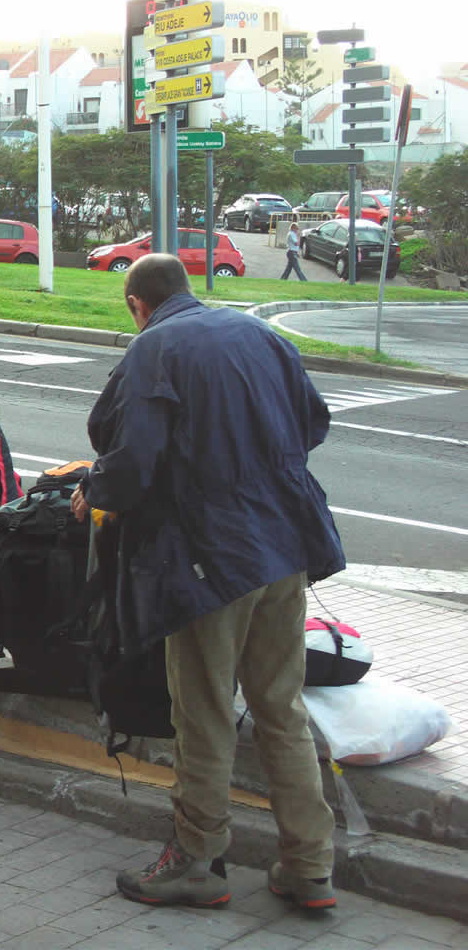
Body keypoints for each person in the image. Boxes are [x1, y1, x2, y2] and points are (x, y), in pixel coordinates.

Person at [72, 254, 345, 911]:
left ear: (137, 305)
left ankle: (197, 861)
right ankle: (310, 867)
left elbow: (131, 461)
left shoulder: (154, 349)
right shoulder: (260, 333)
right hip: (285, 546)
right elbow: (314, 422)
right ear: (186, 288)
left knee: (204, 711)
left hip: (209, 560)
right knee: (281, 708)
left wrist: (93, 489)